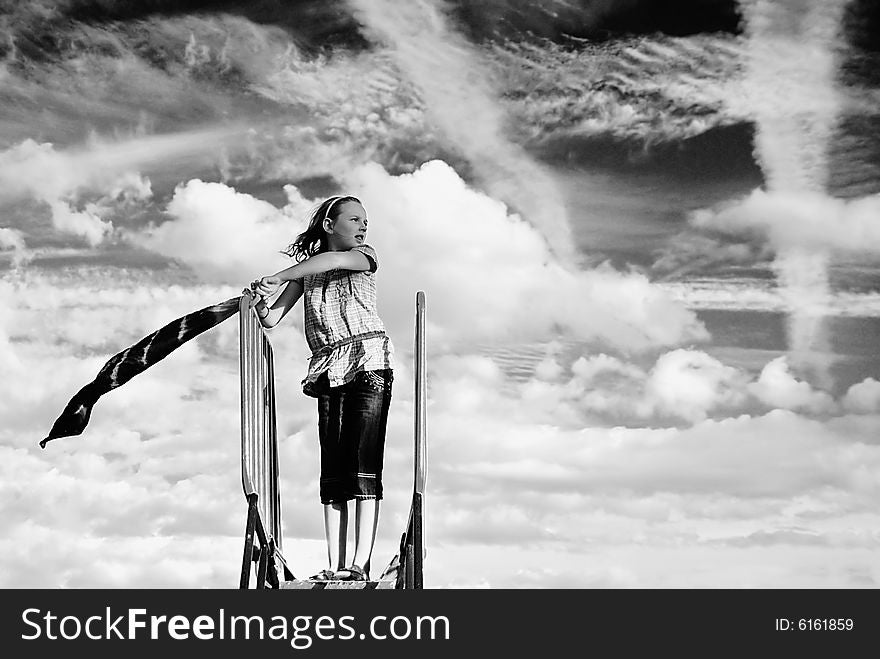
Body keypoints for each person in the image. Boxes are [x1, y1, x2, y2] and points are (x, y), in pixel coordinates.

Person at [250, 194, 394, 582]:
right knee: (333, 468)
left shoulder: (364, 256)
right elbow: (271, 319)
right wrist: (260, 300)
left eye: (365, 220)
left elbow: (329, 260)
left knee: (361, 462)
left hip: (367, 362)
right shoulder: (306, 274)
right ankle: (337, 561)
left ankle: (359, 564)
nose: (363, 226)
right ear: (330, 225)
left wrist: (280, 275)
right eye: (353, 219)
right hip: (328, 368)